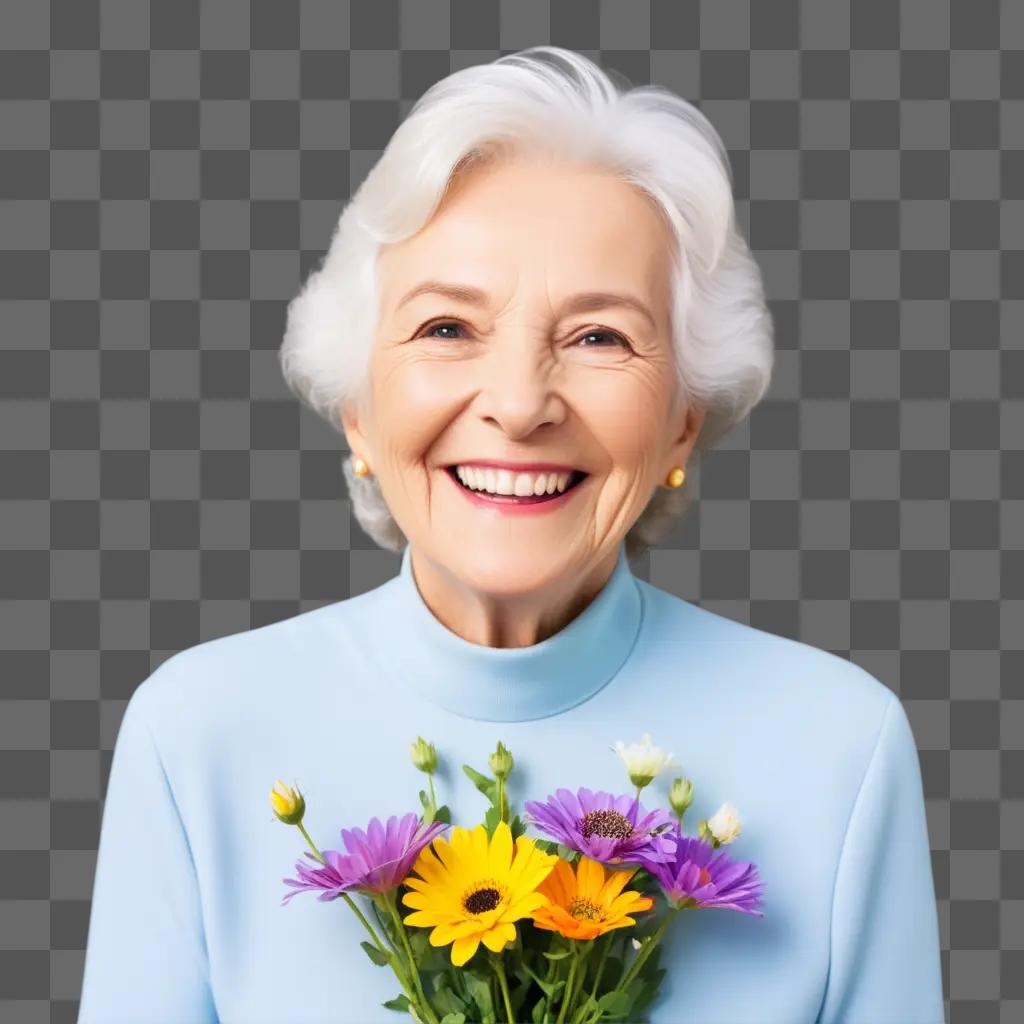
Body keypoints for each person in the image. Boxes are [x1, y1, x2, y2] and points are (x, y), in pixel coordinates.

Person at [77, 47, 944, 1023]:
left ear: (683, 422)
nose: (521, 403)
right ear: (357, 406)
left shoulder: (838, 745)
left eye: (598, 337)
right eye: (447, 327)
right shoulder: (196, 733)